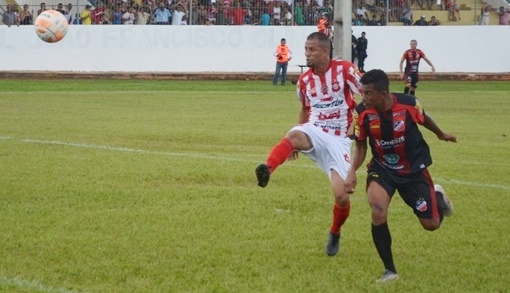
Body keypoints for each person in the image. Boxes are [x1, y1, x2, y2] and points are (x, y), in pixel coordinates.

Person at [256, 32, 362, 257]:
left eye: (312, 49)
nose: (307, 53)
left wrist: (357, 123)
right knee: (293, 136)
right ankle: (267, 168)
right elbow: (305, 108)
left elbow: (367, 96)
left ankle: (334, 232)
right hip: (315, 130)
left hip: (339, 138)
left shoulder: (345, 70)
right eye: (306, 49)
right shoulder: (304, 81)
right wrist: (298, 135)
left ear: (325, 51)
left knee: (342, 196)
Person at [344, 69, 456, 282]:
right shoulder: (362, 112)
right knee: (377, 210)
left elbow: (425, 119)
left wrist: (441, 134)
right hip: (382, 169)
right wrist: (351, 173)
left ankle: (438, 196)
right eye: (362, 93)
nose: (363, 98)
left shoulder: (409, 104)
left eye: (368, 93)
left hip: (413, 169)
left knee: (431, 225)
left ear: (383, 93)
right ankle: (390, 271)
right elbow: (360, 147)